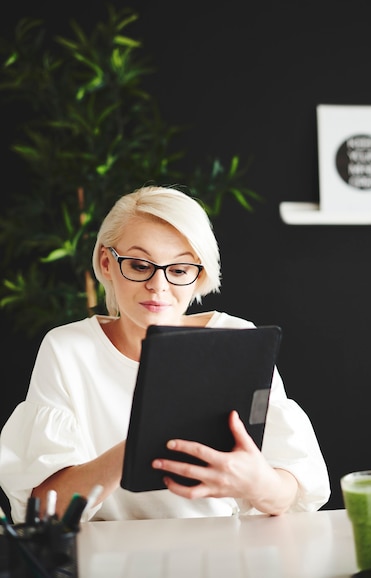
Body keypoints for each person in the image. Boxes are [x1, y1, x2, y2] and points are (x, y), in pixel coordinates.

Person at [0, 185, 330, 523]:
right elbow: (44, 511)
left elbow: (293, 493)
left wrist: (257, 483)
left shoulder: (235, 339)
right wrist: (137, 448)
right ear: (107, 263)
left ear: (198, 274)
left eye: (179, 270)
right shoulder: (68, 350)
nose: (158, 286)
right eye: (140, 265)